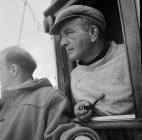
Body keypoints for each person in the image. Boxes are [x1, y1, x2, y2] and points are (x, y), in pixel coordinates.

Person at [49, 5, 134, 121]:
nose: (62, 43)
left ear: (93, 32)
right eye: (61, 37)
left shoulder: (131, 57)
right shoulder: (74, 76)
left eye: (68, 33)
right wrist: (80, 112)